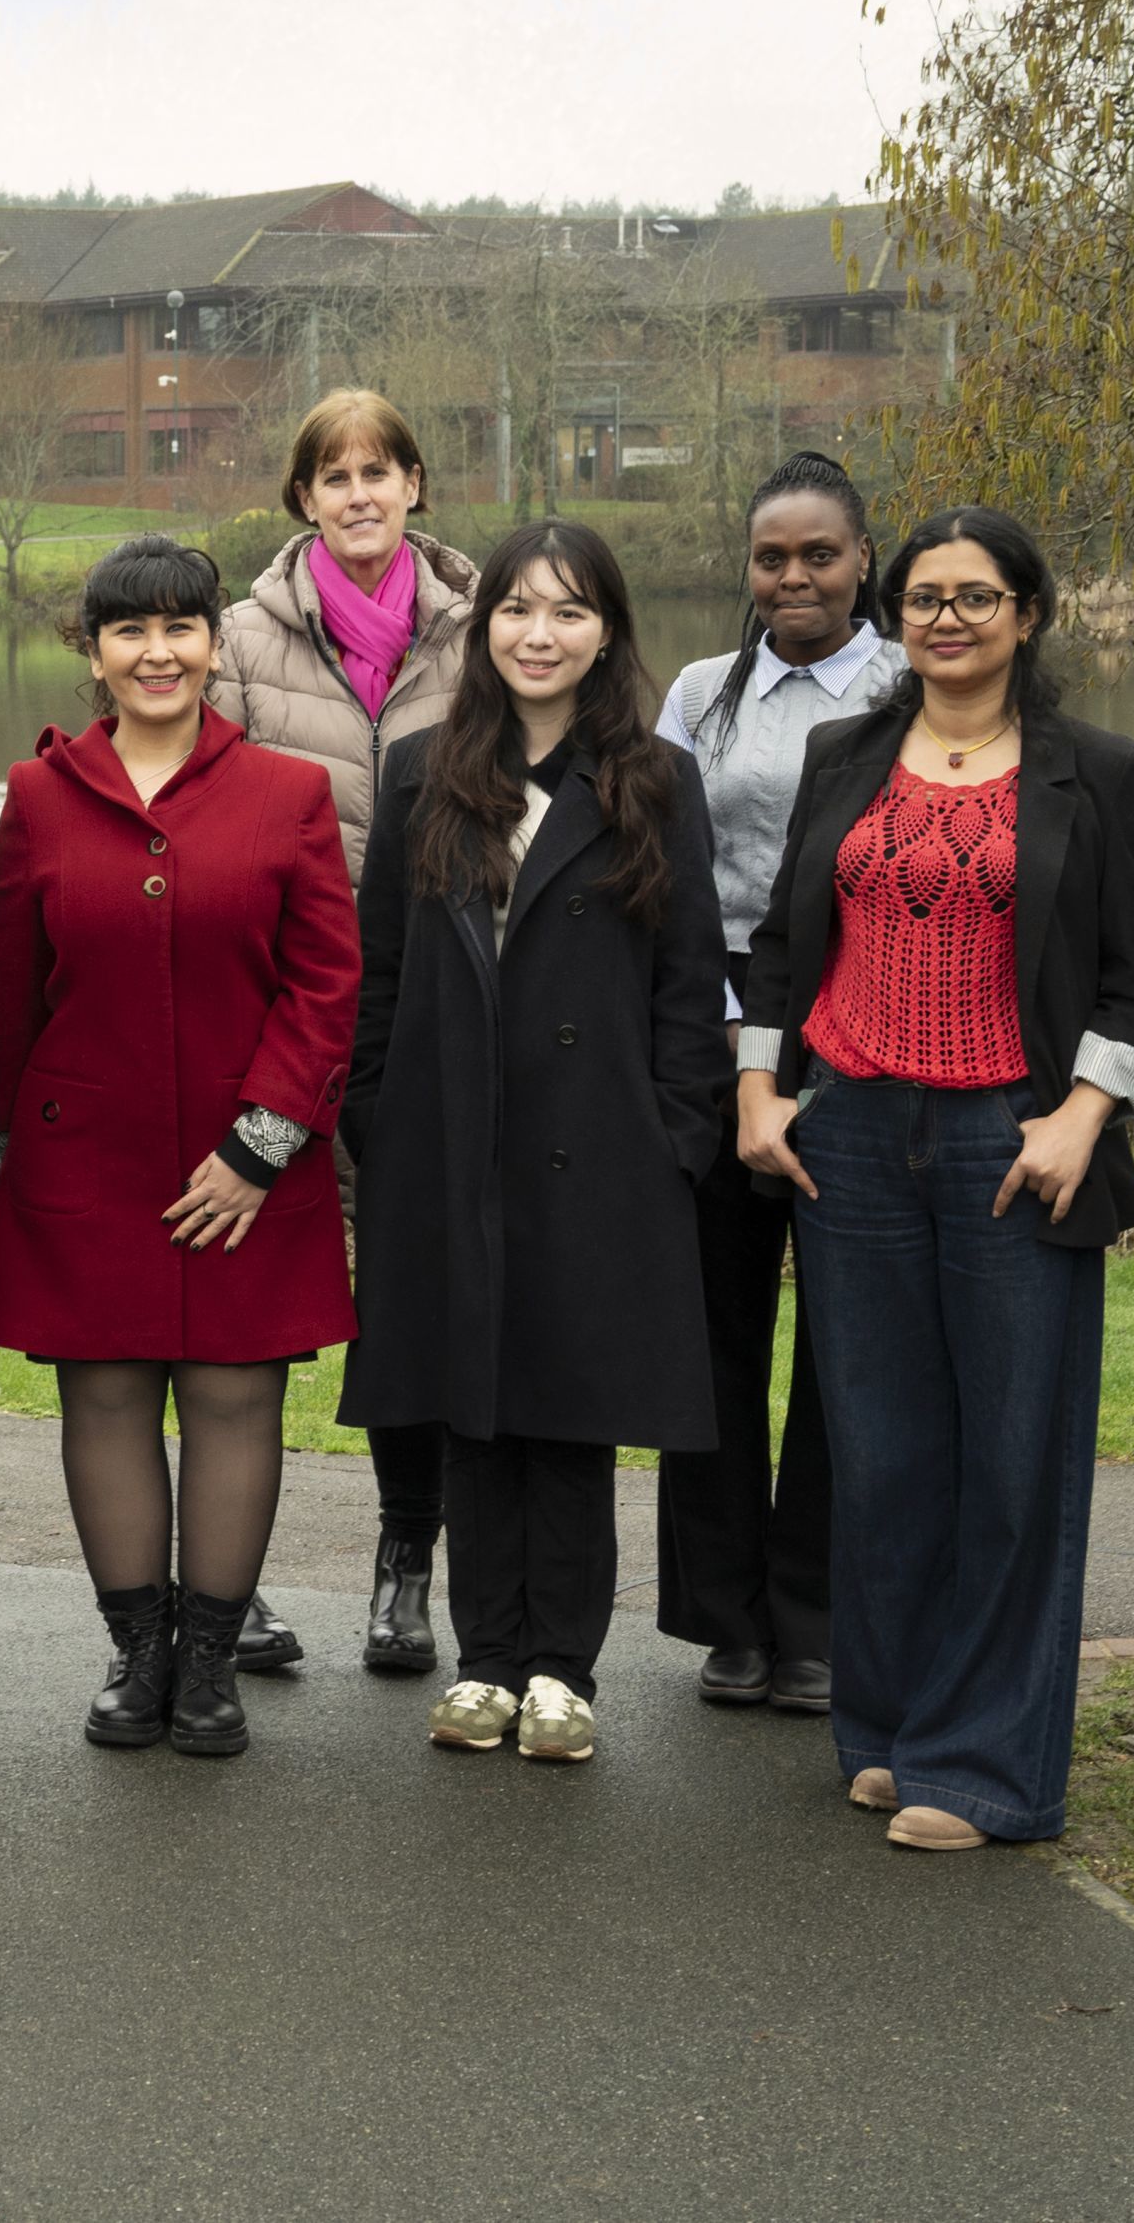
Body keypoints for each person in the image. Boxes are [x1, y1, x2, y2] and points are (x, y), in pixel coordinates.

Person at [737, 506, 1134, 1852]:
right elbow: (776, 943)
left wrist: (1085, 1115)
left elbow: (1132, 976)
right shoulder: (842, 752)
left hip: (1010, 1144)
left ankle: (984, 1769)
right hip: (853, 1134)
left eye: (978, 598)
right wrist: (760, 1090)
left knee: (1013, 1459)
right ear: (896, 615)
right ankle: (889, 1731)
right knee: (880, 1451)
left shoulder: (1091, 771)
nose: (949, 620)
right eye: (926, 598)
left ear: (1027, 616)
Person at [342, 521, 723, 1766]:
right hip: (448, 1146)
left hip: (601, 1149)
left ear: (605, 629)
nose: (537, 634)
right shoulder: (418, 775)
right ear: (480, 626)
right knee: (471, 1411)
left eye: (566, 612)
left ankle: (561, 1667)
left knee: (571, 1414)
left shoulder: (654, 779)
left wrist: (677, 1131)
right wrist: (379, 1120)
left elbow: (686, 980)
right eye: (514, 610)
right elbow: (379, 976)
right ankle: (484, 1663)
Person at [0, 535, 357, 1758]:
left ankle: (209, 1661)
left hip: (248, 1163)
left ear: (213, 642)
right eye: (130, 630)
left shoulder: (289, 793)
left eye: (181, 627)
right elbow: (10, 996)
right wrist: (11, 1152)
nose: (159, 651)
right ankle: (136, 1653)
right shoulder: (37, 799)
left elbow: (324, 983)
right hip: (81, 1159)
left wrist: (260, 1146)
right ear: (92, 654)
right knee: (103, 1393)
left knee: (236, 1394)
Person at [207, 385, 483, 1677]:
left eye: (382, 469)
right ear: (303, 499)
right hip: (281, 1023)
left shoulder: (488, 632)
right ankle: (228, 1581)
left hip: (432, 1025)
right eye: (335, 475)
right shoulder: (237, 643)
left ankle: (402, 1568)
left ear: (416, 485)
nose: (361, 494)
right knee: (240, 1304)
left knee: (408, 1307)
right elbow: (203, 817)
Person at [651, 451, 897, 1720]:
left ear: (863, 558)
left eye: (818, 554)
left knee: (843, 1349)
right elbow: (653, 865)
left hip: (861, 1034)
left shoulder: (914, 686)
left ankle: (815, 1614)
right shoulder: (701, 695)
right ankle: (726, 1616)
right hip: (714, 1031)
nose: (792, 577)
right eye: (770, 557)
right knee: (713, 1341)